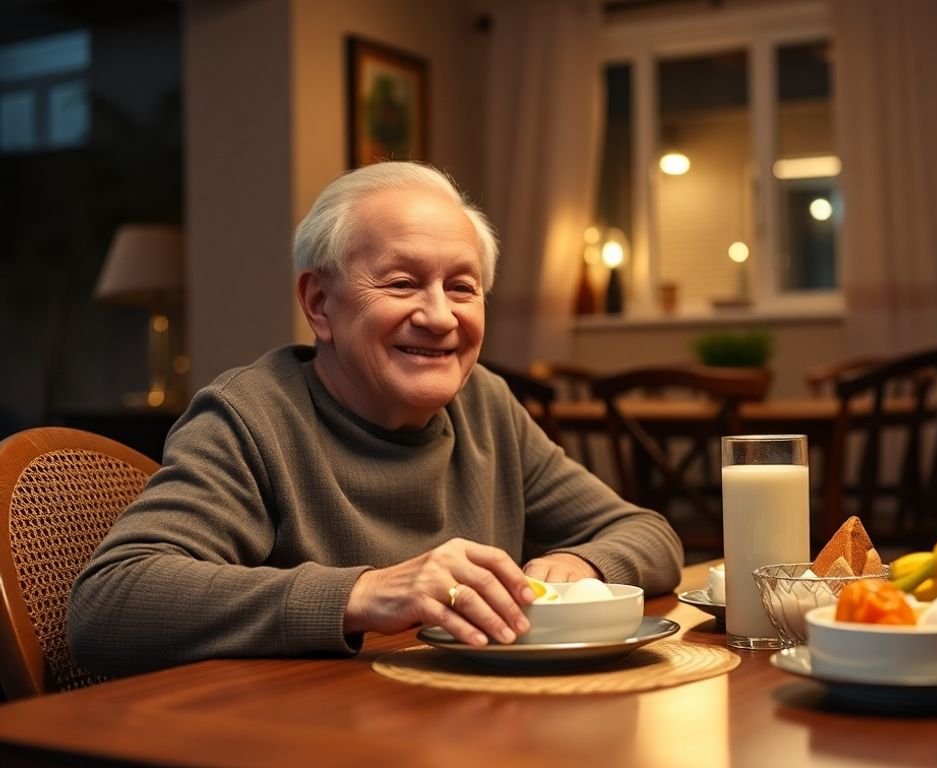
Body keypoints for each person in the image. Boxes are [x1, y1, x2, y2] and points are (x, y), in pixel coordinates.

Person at [68, 162, 684, 677]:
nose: (440, 316)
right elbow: (110, 602)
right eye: (402, 282)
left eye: (462, 287)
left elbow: (650, 534)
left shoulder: (485, 404)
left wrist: (581, 565)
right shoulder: (250, 417)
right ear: (319, 304)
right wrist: (363, 594)